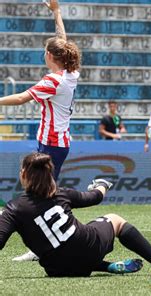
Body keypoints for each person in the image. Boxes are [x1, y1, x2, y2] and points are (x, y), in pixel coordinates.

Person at [0, 153, 151, 277]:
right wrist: (102, 184)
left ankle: (107, 266)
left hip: (57, 269)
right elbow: (95, 197)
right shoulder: (61, 193)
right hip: (88, 250)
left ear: (23, 174)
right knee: (115, 219)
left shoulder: (13, 208)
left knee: (63, 251)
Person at [0, 0, 80, 262]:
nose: (43, 53)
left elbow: (23, 98)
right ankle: (46, 238)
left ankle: (45, 242)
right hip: (57, 142)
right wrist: (56, 12)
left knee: (43, 194)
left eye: (45, 51)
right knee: (44, 191)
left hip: (52, 144)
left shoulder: (52, 81)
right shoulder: (70, 73)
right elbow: (63, 40)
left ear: (50, 56)